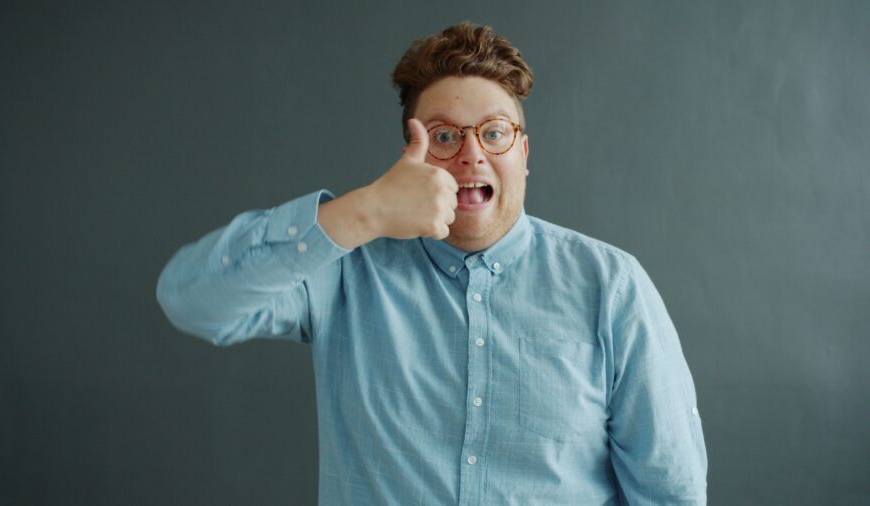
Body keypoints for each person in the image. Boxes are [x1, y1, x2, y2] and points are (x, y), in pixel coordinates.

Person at [156, 21, 708, 506]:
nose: (472, 154)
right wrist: (365, 211)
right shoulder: (345, 270)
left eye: (495, 132)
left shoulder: (611, 286)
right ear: (411, 159)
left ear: (523, 154)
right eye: (444, 136)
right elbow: (189, 298)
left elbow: (671, 492)